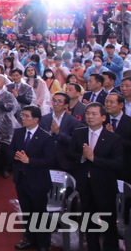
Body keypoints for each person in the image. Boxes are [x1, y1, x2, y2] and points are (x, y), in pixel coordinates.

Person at [68, 103, 123, 251]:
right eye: (88, 114)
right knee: (88, 221)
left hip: (105, 187)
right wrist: (82, 156)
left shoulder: (113, 138)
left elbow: (118, 163)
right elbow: (70, 153)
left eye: (94, 114)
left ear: (103, 117)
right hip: (85, 185)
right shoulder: (78, 133)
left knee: (108, 222)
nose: (90, 117)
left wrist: (94, 159)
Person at [11, 105, 54, 251]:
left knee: (40, 213)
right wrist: (15, 156)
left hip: (38, 181)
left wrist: (29, 161)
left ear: (36, 119)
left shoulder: (45, 137)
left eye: (27, 116)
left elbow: (49, 160)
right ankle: (29, 239)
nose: (23, 118)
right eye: (22, 115)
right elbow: (11, 149)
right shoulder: (18, 133)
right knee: (27, 211)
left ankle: (43, 243)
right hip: (21, 179)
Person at [39, 92, 82, 172]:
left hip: (65, 160)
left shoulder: (73, 121)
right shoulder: (44, 119)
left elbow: (75, 143)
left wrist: (59, 133)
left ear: (66, 105)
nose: (55, 104)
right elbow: (39, 138)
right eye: (54, 100)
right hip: (46, 159)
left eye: (59, 101)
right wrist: (50, 132)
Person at [103, 92, 131, 184]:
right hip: (104, 166)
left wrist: (114, 137)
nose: (108, 105)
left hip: (125, 167)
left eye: (111, 102)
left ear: (121, 105)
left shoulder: (128, 122)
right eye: (106, 101)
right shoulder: (101, 120)